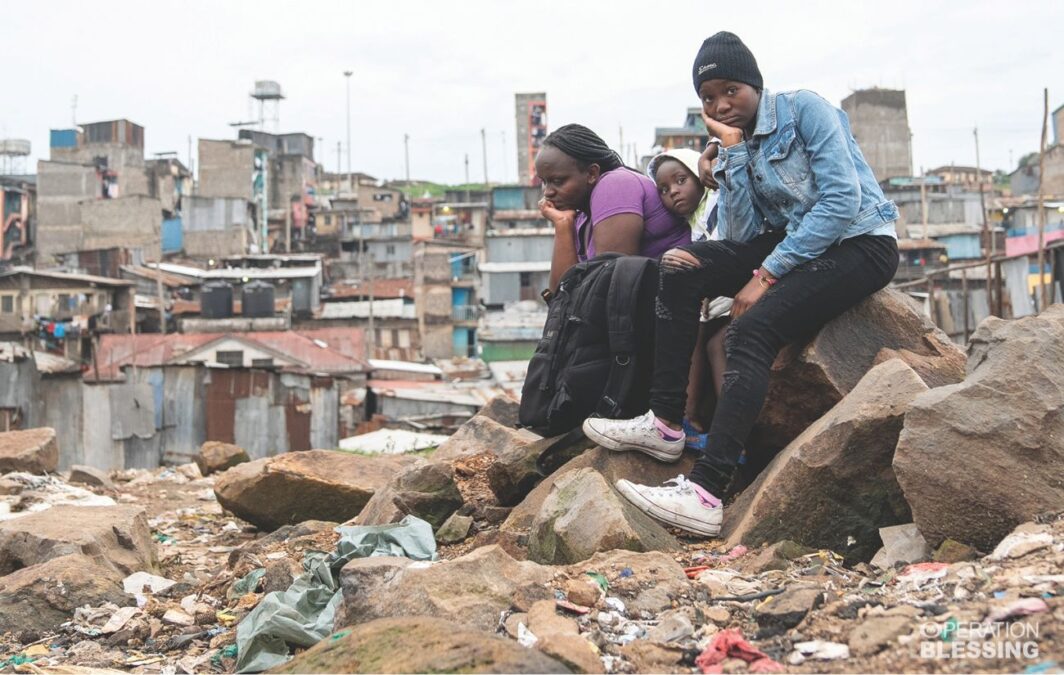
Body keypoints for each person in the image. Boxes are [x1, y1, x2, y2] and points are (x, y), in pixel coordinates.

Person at [582, 31, 900, 537]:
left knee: (748, 332)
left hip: (860, 242)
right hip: (790, 240)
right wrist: (730, 160)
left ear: (754, 83)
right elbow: (746, 233)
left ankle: (707, 492)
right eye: (709, 98)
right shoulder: (737, 141)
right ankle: (666, 423)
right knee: (679, 263)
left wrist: (766, 276)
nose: (722, 104)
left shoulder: (805, 111)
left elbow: (841, 201)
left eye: (731, 90)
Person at [535, 124, 691, 292]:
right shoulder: (581, 216)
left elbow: (611, 290)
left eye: (558, 181)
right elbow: (560, 297)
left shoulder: (616, 185)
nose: (548, 192)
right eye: (544, 182)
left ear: (592, 174)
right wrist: (562, 224)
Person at [646, 149, 729, 442]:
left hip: (743, 289)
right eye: (664, 190)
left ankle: (730, 435)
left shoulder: (719, 202)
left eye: (681, 180)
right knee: (689, 333)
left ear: (700, 176)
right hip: (717, 303)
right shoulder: (693, 221)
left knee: (717, 346)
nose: (674, 193)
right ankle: (686, 417)